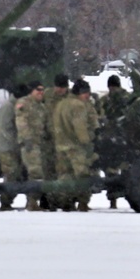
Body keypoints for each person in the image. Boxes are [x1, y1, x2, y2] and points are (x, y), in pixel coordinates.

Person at [51, 79, 98, 212]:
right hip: (76, 148)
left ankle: (66, 202)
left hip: (61, 146)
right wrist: (88, 143)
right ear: (79, 92)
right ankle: (83, 203)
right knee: (82, 175)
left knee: (64, 175)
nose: (88, 96)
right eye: (86, 93)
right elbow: (80, 128)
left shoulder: (61, 104)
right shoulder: (78, 105)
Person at [14, 80, 48, 211]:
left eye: (42, 90)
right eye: (38, 90)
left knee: (40, 173)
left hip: (40, 144)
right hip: (30, 144)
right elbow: (21, 122)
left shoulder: (41, 107)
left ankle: (34, 201)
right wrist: (27, 139)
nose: (40, 92)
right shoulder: (24, 103)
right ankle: (32, 202)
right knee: (35, 172)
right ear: (32, 91)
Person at [0, 83, 30, 211]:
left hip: (14, 147)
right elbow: (6, 129)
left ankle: (8, 201)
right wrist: (18, 142)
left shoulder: (16, 105)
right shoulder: (8, 107)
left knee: (16, 174)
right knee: (11, 174)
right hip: (7, 148)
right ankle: (5, 202)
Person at [98, 74, 130, 209]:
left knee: (118, 170)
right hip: (114, 140)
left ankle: (117, 200)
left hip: (122, 139)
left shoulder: (123, 99)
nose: (112, 90)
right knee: (113, 171)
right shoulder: (110, 99)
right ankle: (114, 201)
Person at [39, 73, 70, 210]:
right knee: (48, 170)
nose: (59, 90)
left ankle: (63, 200)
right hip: (48, 140)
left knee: (63, 171)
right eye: (57, 87)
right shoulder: (47, 95)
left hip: (65, 140)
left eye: (62, 88)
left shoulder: (71, 98)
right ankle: (47, 200)